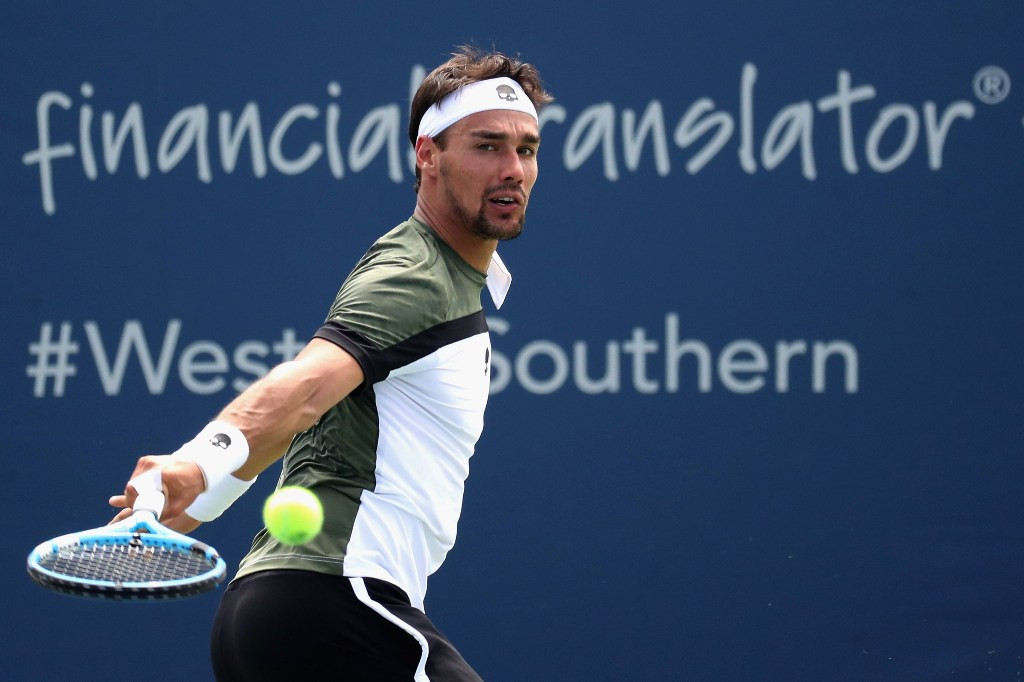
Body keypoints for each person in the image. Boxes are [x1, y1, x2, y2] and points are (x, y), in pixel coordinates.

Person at [109, 46, 552, 681]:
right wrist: (198, 463)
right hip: (335, 605)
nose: (512, 169)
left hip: (276, 613)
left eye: (526, 149)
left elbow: (310, 423)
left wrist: (195, 504)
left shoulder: (442, 277)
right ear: (427, 155)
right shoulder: (416, 276)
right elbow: (306, 386)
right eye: (487, 146)